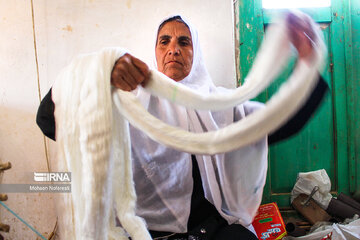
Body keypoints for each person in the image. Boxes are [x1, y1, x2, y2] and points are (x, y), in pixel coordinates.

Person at [37, 14, 328, 240]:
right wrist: (98, 73)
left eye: (183, 42)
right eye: (164, 41)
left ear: (195, 52)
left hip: (211, 229)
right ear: (155, 51)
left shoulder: (223, 107)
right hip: (142, 231)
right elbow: (49, 121)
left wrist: (308, 63)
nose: (173, 49)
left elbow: (280, 122)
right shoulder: (127, 104)